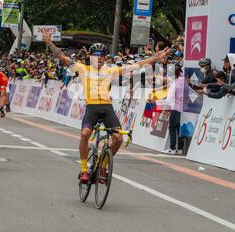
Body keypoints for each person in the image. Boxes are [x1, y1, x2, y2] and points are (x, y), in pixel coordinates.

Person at [43, 33, 170, 184]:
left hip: (107, 107)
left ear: (105, 58)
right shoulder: (83, 68)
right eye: (96, 55)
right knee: (85, 134)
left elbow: (136, 66)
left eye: (102, 55)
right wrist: (50, 43)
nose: (99, 58)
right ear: (90, 57)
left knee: (118, 138)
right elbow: (63, 58)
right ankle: (84, 170)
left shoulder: (110, 70)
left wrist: (155, 58)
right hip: (92, 107)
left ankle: (103, 166)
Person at [149, 66, 185, 155]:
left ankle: (172, 148)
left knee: (172, 128)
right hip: (183, 109)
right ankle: (180, 149)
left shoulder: (174, 85)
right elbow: (168, 85)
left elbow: (169, 100)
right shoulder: (182, 80)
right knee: (179, 129)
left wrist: (156, 103)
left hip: (175, 108)